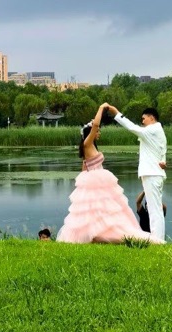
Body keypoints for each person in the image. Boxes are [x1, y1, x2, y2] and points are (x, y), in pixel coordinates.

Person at [56, 104, 160, 244]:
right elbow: (96, 125)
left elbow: (85, 166)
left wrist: (83, 181)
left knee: (104, 209)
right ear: (90, 133)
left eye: (98, 131)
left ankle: (100, 232)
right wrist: (101, 108)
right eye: (97, 131)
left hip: (98, 178)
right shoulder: (87, 143)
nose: (98, 133)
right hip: (95, 180)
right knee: (94, 209)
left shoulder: (91, 147)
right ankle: (95, 235)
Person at [106, 104, 168, 242]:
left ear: (151, 117)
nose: (142, 121)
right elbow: (162, 150)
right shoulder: (157, 131)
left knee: (154, 210)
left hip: (152, 174)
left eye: (144, 118)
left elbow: (132, 128)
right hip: (153, 173)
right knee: (155, 208)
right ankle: (158, 239)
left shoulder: (153, 129)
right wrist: (163, 161)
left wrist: (117, 113)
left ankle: (157, 240)